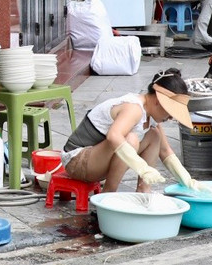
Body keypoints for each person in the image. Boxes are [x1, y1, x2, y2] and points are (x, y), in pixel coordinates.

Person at [61, 69, 198, 192]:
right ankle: (109, 194)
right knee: (131, 140)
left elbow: (165, 151)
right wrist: (142, 167)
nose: (170, 118)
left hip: (96, 160)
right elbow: (113, 136)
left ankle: (144, 190)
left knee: (155, 135)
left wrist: (187, 180)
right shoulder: (134, 108)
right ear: (158, 100)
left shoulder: (151, 117)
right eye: (170, 112)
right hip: (77, 161)